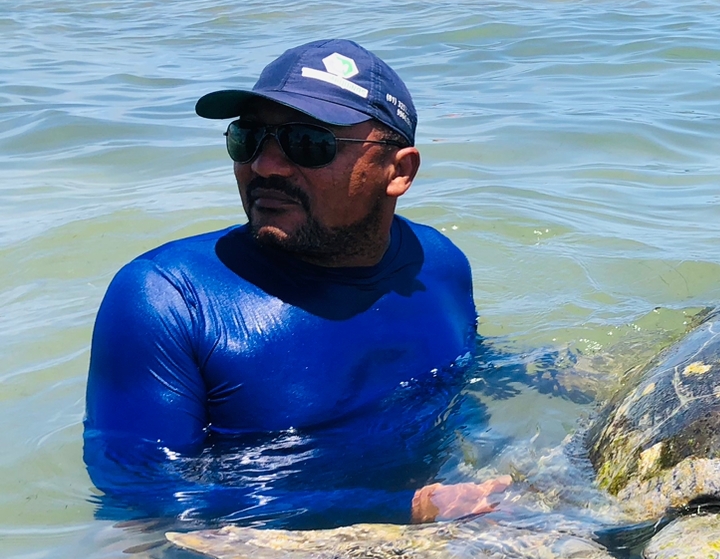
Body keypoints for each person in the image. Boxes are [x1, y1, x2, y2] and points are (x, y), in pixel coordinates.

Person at [84, 40, 490, 527]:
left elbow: (469, 375)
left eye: (309, 144)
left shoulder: (439, 263)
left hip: (443, 515)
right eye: (249, 138)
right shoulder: (169, 298)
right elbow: (142, 497)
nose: (265, 166)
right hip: (265, 556)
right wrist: (404, 511)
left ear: (398, 171)